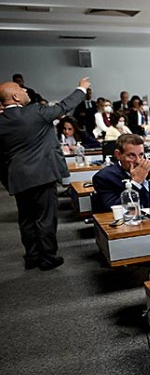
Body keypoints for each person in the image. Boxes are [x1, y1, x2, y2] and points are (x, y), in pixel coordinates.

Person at [0, 76, 90, 270]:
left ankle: (32, 257)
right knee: (45, 218)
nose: (25, 92)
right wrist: (81, 89)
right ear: (15, 96)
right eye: (22, 90)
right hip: (42, 174)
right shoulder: (35, 112)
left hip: (18, 177)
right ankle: (48, 258)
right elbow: (64, 106)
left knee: (26, 219)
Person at [92, 134, 150, 213]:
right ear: (118, 155)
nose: (138, 161)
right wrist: (135, 183)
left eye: (141, 155)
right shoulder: (104, 177)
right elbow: (112, 209)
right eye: (132, 155)